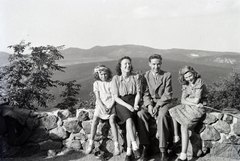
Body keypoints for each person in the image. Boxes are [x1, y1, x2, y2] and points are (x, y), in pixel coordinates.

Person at [137, 54, 173, 161]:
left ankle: (163, 149)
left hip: (162, 102)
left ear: (161, 63)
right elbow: (145, 93)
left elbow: (167, 94)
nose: (156, 67)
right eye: (153, 64)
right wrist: (149, 105)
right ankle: (145, 147)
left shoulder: (167, 75)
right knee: (140, 114)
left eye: (158, 64)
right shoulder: (145, 76)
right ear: (149, 64)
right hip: (150, 103)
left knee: (162, 116)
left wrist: (157, 106)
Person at [169, 66, 207, 161]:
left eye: (190, 76)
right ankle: (176, 136)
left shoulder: (199, 82)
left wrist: (188, 100)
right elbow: (182, 100)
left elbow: (197, 100)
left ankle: (183, 155)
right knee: (172, 110)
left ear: (194, 73)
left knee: (184, 126)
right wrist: (190, 101)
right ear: (184, 78)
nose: (189, 79)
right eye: (186, 77)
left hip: (199, 108)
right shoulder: (185, 85)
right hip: (190, 106)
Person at [85, 65, 120, 156]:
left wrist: (111, 106)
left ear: (108, 74)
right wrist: (103, 107)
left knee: (112, 121)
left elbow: (114, 96)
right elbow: (98, 98)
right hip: (101, 106)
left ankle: (116, 146)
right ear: (98, 75)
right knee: (95, 120)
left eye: (105, 74)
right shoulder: (96, 84)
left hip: (111, 105)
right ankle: (91, 143)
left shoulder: (112, 82)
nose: (103, 76)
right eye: (101, 74)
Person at [111, 56, 141, 161]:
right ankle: (134, 146)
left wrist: (136, 104)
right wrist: (128, 106)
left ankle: (128, 153)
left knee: (130, 124)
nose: (128, 66)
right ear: (120, 66)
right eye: (125, 64)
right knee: (129, 120)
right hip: (121, 103)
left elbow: (138, 93)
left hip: (133, 101)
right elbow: (115, 97)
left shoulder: (135, 77)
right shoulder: (116, 79)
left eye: (129, 63)